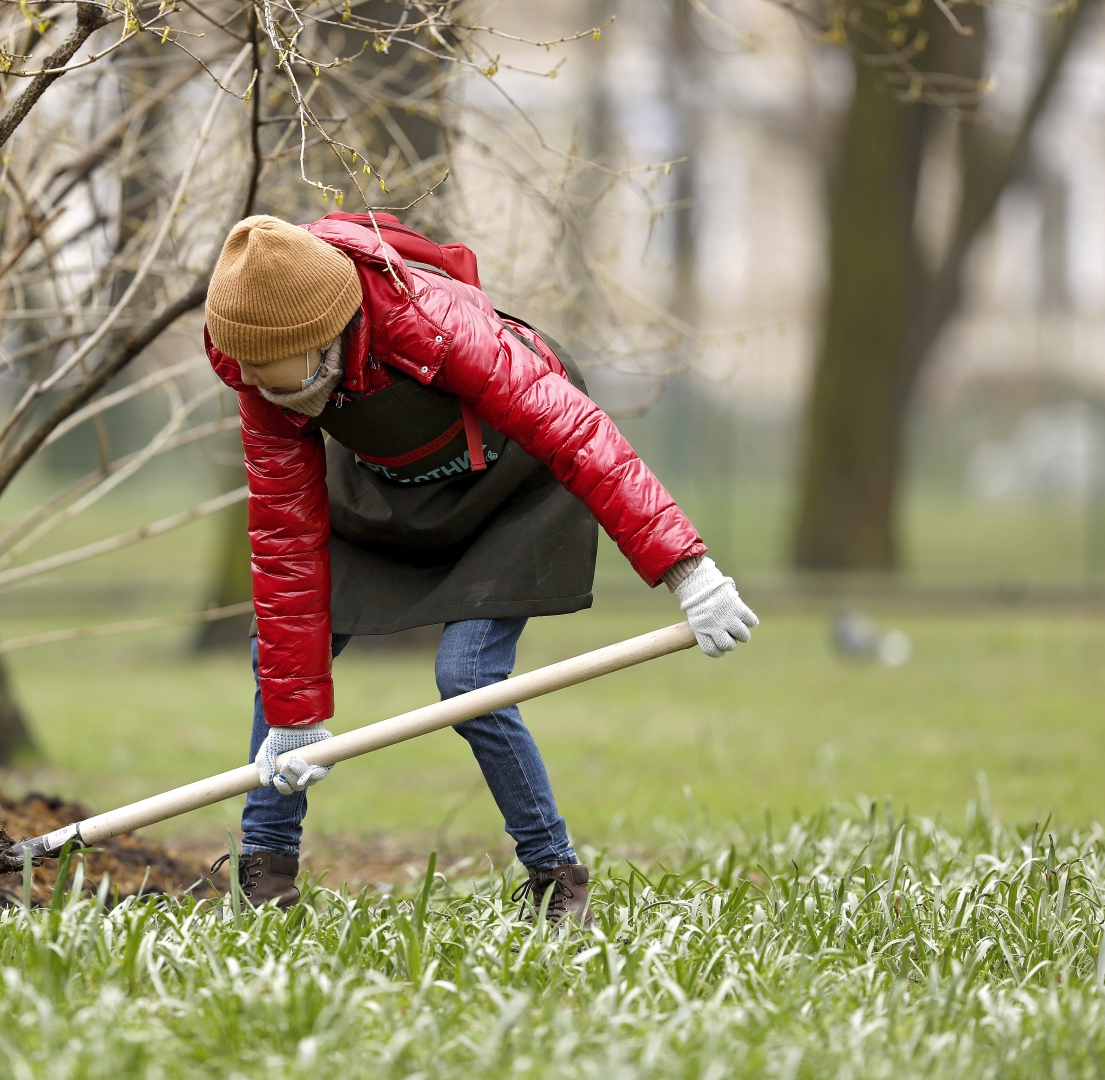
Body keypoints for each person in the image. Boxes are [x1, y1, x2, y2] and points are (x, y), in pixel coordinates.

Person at [201, 213, 757, 925]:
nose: (261, 392)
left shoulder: (433, 324)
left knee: (467, 679)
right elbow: (283, 541)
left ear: (325, 338)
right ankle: (266, 877)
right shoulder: (259, 360)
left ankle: (557, 882)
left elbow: (580, 436)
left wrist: (689, 570)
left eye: (277, 380)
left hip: (513, 490)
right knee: (272, 652)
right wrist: (293, 716)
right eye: (250, 377)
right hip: (391, 491)